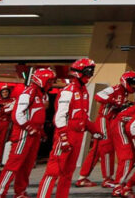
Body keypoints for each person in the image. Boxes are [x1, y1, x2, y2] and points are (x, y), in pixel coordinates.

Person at [38, 58, 97, 198]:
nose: (90, 74)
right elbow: (60, 116)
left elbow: (83, 116)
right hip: (66, 135)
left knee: (68, 172)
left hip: (77, 136)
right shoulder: (68, 91)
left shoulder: (84, 92)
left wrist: (95, 130)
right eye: (88, 71)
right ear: (80, 72)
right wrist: (63, 137)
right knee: (53, 172)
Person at [0, 68, 54, 198]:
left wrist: (40, 131)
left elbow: (37, 115)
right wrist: (28, 127)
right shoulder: (29, 92)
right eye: (49, 81)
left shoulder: (41, 94)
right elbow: (17, 114)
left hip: (34, 134)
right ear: (42, 80)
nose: (51, 84)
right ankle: (0, 193)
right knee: (13, 165)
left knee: (27, 166)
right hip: (23, 134)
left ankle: (20, 192)